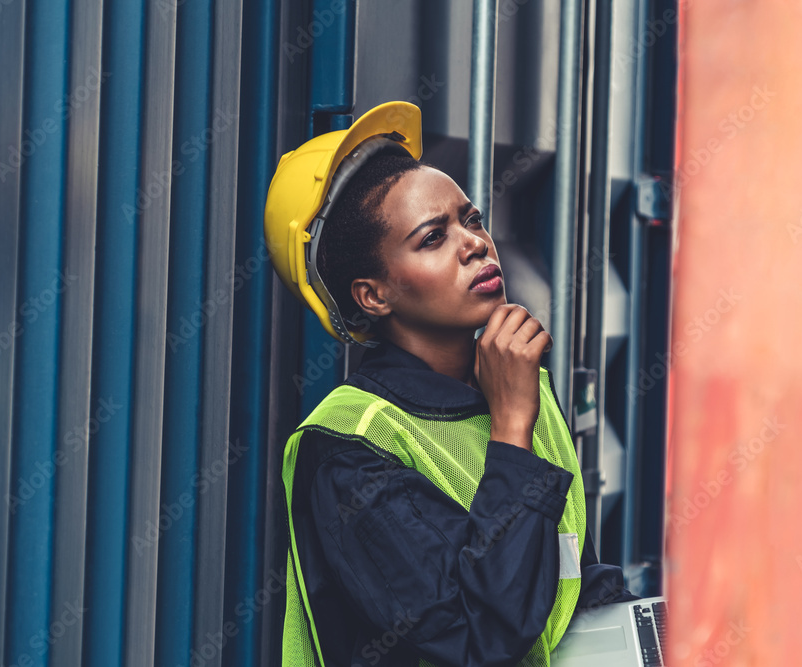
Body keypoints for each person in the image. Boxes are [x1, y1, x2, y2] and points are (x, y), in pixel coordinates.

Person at [265, 101, 635, 667]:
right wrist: (512, 430)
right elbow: (481, 636)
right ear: (374, 295)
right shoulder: (352, 448)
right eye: (433, 238)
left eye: (473, 219)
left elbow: (563, 578)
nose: (475, 244)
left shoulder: (519, 387)